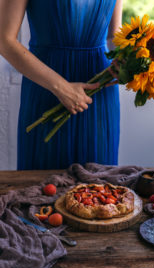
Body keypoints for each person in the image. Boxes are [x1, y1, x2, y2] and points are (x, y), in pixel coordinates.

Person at [0, 0, 123, 170]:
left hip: (98, 94)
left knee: (99, 186)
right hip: (46, 88)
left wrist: (125, 59)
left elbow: (113, 35)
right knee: (41, 185)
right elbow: (4, 40)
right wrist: (60, 87)